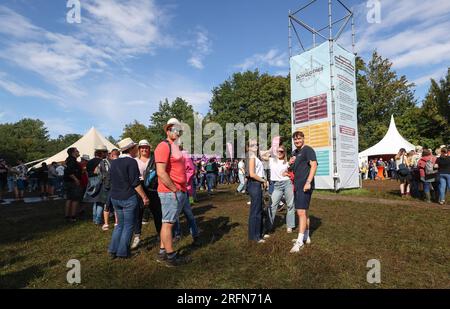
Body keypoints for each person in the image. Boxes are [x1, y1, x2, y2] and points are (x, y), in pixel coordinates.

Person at [155, 118, 190, 266]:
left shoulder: (174, 147)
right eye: (172, 129)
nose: (176, 131)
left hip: (177, 190)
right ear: (168, 130)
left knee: (167, 222)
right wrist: (174, 189)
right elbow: (161, 172)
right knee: (168, 223)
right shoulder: (163, 146)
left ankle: (162, 253)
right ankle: (171, 256)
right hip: (170, 191)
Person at [108, 138, 149, 259]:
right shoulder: (131, 162)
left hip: (115, 197)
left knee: (119, 225)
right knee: (128, 225)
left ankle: (112, 250)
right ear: (131, 149)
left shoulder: (114, 162)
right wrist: (144, 197)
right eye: (135, 147)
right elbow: (135, 183)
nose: (137, 149)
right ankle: (123, 252)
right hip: (128, 197)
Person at [289, 130, 317, 253]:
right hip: (296, 185)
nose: (297, 141)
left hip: (305, 186)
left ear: (303, 139)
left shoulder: (308, 150)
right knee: (304, 211)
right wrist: (289, 165)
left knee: (300, 212)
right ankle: (306, 236)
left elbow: (314, 165)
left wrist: (308, 182)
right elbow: (292, 170)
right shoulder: (294, 152)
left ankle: (299, 242)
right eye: (295, 139)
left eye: (299, 138)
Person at [261, 145, 295, 234]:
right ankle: (269, 226)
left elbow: (291, 171)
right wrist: (270, 150)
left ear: (284, 153)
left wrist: (288, 172)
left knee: (290, 205)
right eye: (278, 151)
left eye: (281, 151)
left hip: (287, 184)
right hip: (277, 185)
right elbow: (261, 155)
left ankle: (290, 226)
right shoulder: (272, 160)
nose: (279, 153)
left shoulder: (287, 162)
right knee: (272, 206)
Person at [131, 140, 153, 249]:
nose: (144, 149)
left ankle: (161, 234)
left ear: (149, 148)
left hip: (153, 188)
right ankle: (137, 236)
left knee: (156, 211)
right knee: (138, 213)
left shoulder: (152, 160)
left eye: (146, 147)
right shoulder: (134, 161)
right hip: (139, 188)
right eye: (142, 147)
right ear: (139, 149)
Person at [247, 139, 268, 243]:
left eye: (256, 144)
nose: (255, 146)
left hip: (256, 184)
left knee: (257, 209)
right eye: (252, 145)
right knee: (256, 211)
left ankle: (257, 234)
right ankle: (255, 236)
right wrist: (263, 180)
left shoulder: (255, 156)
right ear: (248, 147)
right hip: (254, 184)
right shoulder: (251, 157)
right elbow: (252, 174)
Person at [84, 145, 109, 226]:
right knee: (101, 202)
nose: (106, 153)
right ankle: (98, 220)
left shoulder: (89, 162)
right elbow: (101, 173)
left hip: (91, 182)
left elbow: (87, 173)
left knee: (95, 202)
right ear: (101, 152)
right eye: (105, 152)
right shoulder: (102, 162)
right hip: (100, 183)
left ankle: (95, 219)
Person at [102, 149, 120, 231]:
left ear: (112, 155)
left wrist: (106, 186)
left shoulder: (111, 164)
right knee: (116, 205)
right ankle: (117, 222)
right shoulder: (121, 163)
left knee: (107, 205)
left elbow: (108, 176)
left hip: (110, 188)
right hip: (119, 187)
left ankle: (106, 224)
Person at [64, 148, 82, 222]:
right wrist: (76, 179)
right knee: (75, 199)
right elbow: (69, 171)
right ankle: (73, 216)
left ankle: (67, 215)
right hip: (72, 182)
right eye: (77, 151)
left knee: (69, 199)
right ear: (73, 153)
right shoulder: (72, 161)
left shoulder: (68, 160)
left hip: (68, 182)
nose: (78, 152)